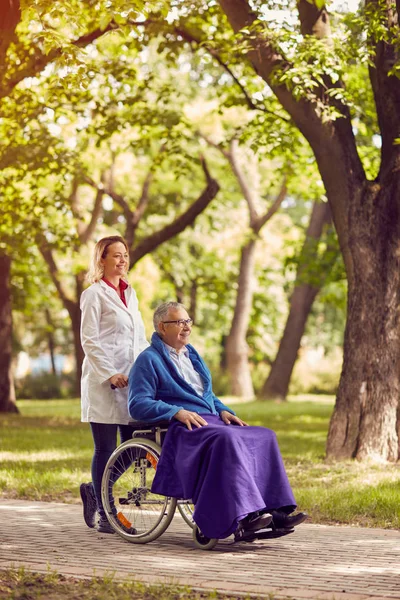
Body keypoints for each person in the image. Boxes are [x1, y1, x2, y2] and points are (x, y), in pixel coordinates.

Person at [127, 301, 307, 541]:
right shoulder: (148, 360)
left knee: (264, 435)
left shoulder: (192, 356)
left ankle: (275, 511)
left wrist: (223, 410)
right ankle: (243, 516)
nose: (187, 327)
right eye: (180, 322)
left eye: (188, 321)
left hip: (211, 421)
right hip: (183, 428)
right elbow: (138, 403)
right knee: (226, 438)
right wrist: (175, 411)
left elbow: (206, 395)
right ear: (162, 327)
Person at [79, 235, 149, 534]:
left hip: (132, 383)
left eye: (125, 255)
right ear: (102, 260)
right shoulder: (94, 294)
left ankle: (95, 490)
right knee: (105, 448)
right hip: (104, 383)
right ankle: (107, 515)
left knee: (135, 447)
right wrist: (109, 373)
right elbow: (89, 340)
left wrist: (152, 369)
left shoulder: (130, 294)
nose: (122, 260)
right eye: (116, 255)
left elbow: (140, 339)